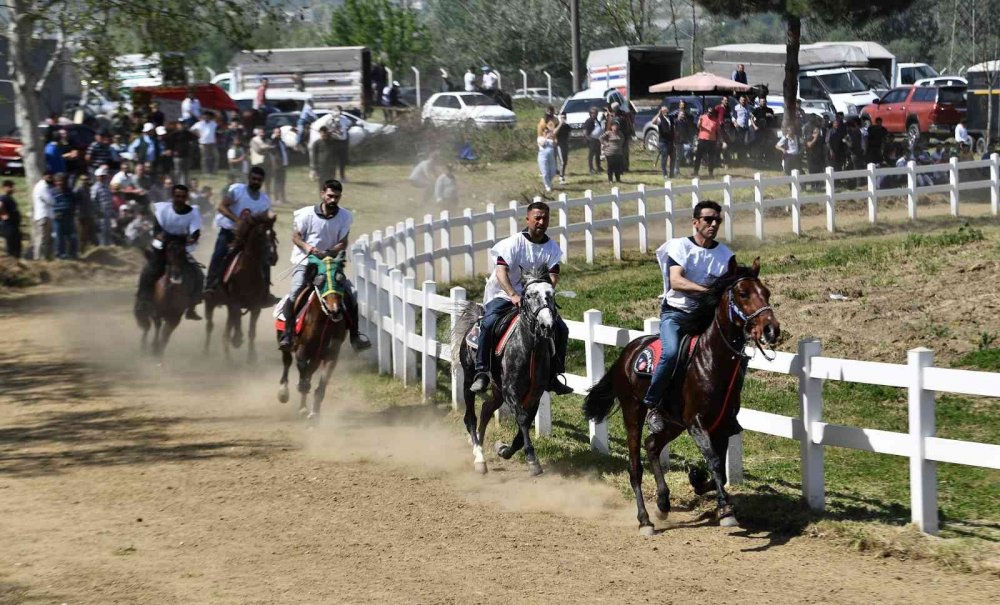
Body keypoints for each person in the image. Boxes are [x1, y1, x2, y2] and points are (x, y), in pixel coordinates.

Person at [643, 201, 734, 433]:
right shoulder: (680, 247)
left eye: (718, 220)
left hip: (706, 317)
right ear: (695, 222)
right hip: (676, 313)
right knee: (671, 353)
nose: (714, 224)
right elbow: (676, 281)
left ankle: (728, 408)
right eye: (708, 219)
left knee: (734, 356)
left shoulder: (725, 255)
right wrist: (708, 292)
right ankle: (652, 404)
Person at [468, 201, 573, 396]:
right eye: (537, 218)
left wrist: (542, 292)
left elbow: (553, 275)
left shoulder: (552, 248)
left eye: (545, 218)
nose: (541, 222)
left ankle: (554, 374)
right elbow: (501, 272)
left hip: (535, 299)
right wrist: (514, 295)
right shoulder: (513, 243)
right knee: (490, 322)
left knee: (561, 328)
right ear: (528, 219)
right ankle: (482, 372)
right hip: (504, 294)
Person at [279, 179, 371, 352]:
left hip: (331, 263)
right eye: (330, 196)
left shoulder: (345, 216)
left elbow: (343, 242)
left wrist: (331, 251)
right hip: (306, 262)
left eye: (336, 197)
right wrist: (309, 248)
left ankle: (355, 336)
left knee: (350, 294)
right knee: (295, 294)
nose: (333, 200)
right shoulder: (306, 214)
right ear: (323, 194)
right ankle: (288, 334)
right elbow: (296, 237)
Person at [135, 184, 204, 319]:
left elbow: (195, 232)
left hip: (180, 248)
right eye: (178, 196)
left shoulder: (193, 212)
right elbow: (156, 231)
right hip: (162, 247)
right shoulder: (162, 210)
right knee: (149, 271)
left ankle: (192, 306)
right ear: (173, 196)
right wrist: (163, 237)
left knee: (198, 273)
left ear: (187, 197)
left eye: (183, 197)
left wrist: (191, 238)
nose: (180, 199)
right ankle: (144, 301)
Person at [204, 166, 271, 295]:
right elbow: (222, 207)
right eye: (253, 178)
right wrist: (238, 221)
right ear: (249, 178)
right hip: (230, 232)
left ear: (262, 181)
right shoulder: (237, 190)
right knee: (219, 254)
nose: (256, 182)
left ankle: (265, 291)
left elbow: (264, 220)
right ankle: (210, 285)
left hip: (250, 237)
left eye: (259, 180)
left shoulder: (264, 200)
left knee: (265, 256)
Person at [51, 173, 78, 260]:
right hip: (58, 218)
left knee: (73, 236)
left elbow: (74, 202)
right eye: (58, 181)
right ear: (55, 182)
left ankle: (73, 254)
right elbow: (49, 204)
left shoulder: (70, 191)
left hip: (69, 217)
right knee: (59, 237)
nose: (60, 183)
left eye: (62, 181)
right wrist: (54, 212)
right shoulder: (52, 192)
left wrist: (74, 211)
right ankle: (60, 255)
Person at [31, 172, 55, 260]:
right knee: (42, 237)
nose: (50, 179)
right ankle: (38, 258)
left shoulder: (45, 186)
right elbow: (51, 201)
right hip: (43, 215)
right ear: (44, 177)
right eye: (49, 177)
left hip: (46, 215)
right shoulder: (42, 187)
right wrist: (55, 200)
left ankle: (45, 257)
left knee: (46, 238)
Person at [91, 166, 115, 246]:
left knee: (108, 230)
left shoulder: (106, 187)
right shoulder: (95, 188)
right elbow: (93, 201)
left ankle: (107, 246)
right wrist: (97, 212)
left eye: (104, 176)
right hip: (100, 213)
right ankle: (103, 247)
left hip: (108, 212)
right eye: (101, 176)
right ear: (97, 177)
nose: (102, 178)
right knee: (102, 232)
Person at [693, 108, 720, 177]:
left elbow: (718, 131)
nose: (709, 114)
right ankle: (695, 171)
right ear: (706, 112)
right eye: (708, 112)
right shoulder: (702, 117)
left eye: (711, 113)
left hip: (711, 140)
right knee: (698, 156)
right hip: (702, 139)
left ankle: (710, 172)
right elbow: (698, 126)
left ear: (713, 113)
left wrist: (718, 140)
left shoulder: (716, 120)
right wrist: (699, 120)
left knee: (711, 157)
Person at [74, 173, 97, 252]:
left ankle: (86, 249)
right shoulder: (78, 190)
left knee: (88, 233)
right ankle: (80, 250)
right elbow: (75, 202)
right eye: (83, 180)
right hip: (81, 215)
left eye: (86, 180)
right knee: (81, 234)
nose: (85, 181)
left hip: (88, 214)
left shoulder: (88, 190)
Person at [265, 127, 289, 204]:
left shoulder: (282, 142)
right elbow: (270, 151)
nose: (278, 133)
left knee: (282, 182)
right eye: (277, 132)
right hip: (276, 165)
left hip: (283, 165)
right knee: (277, 182)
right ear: (274, 133)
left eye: (279, 132)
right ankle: (276, 198)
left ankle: (283, 198)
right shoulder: (273, 142)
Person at [0, 180, 22, 258]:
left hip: (14, 226)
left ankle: (16, 264)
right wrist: (3, 215)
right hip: (8, 226)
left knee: (17, 247)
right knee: (11, 248)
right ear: (4, 188)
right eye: (9, 187)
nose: (11, 188)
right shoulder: (3, 198)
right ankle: (11, 264)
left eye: (12, 187)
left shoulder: (10, 198)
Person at [651, 105, 675, 178]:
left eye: (666, 111)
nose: (666, 112)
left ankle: (671, 173)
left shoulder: (670, 118)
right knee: (664, 156)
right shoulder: (660, 118)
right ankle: (665, 173)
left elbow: (673, 127)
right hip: (663, 141)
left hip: (671, 140)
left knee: (673, 157)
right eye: (664, 111)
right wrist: (659, 114)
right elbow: (653, 121)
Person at [330, 106, 352, 181]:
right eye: (336, 110)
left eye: (339, 111)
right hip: (334, 142)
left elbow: (349, 124)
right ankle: (332, 177)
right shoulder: (330, 119)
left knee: (342, 160)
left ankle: (342, 177)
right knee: (333, 161)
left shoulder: (344, 119)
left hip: (343, 142)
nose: (338, 112)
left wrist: (345, 131)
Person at [673, 101, 694, 175]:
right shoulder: (675, 120)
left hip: (683, 140)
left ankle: (677, 169)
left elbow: (688, 130)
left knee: (682, 154)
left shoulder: (685, 121)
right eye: (681, 115)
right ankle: (675, 170)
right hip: (677, 140)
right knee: (678, 156)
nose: (682, 115)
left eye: (683, 115)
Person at [583, 106, 604, 174]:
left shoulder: (597, 120)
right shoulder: (589, 121)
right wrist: (588, 139)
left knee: (598, 154)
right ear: (590, 113)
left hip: (597, 139)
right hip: (591, 139)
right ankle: (591, 168)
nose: (595, 114)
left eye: (596, 113)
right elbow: (585, 131)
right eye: (593, 113)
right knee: (591, 155)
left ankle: (598, 167)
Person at [537, 127, 557, 192]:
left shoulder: (550, 139)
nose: (546, 133)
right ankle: (547, 186)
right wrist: (546, 137)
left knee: (553, 172)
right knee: (545, 172)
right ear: (542, 132)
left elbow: (555, 144)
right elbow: (542, 144)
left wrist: (553, 137)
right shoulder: (540, 138)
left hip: (551, 157)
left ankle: (548, 182)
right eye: (545, 132)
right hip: (542, 157)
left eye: (547, 132)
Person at [553, 112, 571, 184]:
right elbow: (554, 132)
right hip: (559, 144)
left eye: (564, 117)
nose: (563, 118)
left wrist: (568, 142)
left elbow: (569, 134)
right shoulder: (557, 125)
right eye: (562, 117)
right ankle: (561, 177)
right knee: (562, 161)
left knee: (565, 161)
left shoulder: (567, 126)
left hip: (565, 144)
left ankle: (562, 174)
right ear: (560, 118)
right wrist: (560, 124)